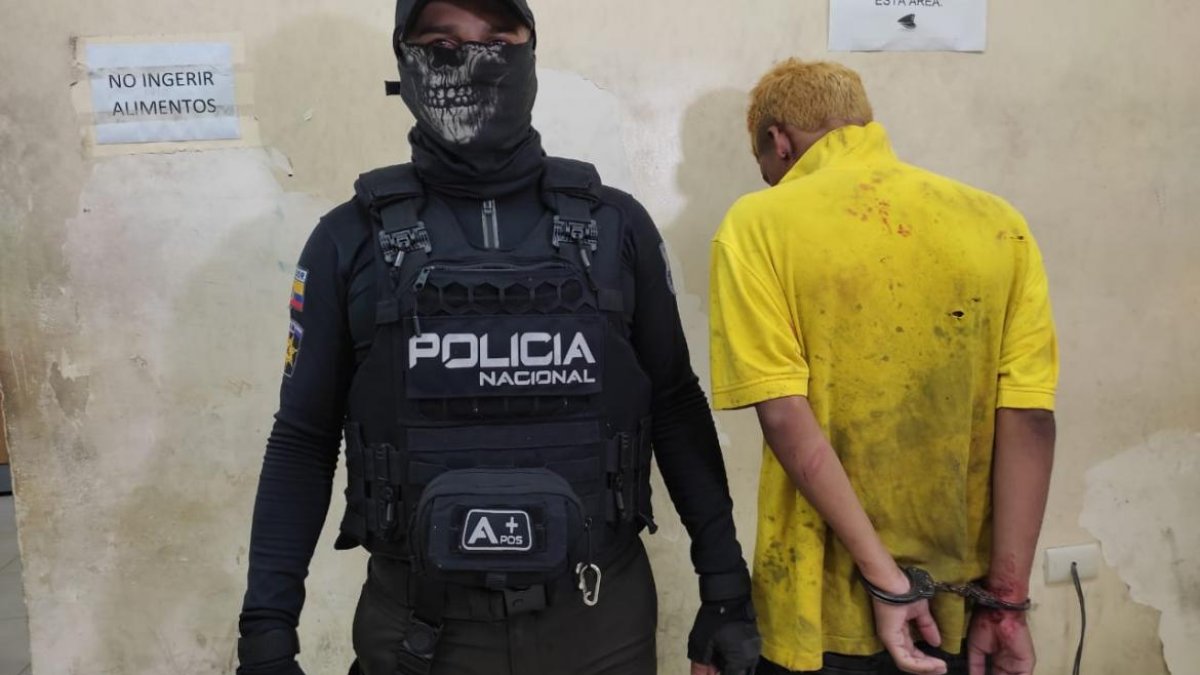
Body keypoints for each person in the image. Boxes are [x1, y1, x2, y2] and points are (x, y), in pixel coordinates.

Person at [236, 1, 760, 674]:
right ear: (405, 59)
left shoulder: (617, 230)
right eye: (443, 42)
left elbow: (676, 409)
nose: (475, 60)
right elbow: (303, 440)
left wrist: (725, 590)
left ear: (531, 52)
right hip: (419, 633)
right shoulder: (348, 240)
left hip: (598, 624)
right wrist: (267, 632)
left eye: (498, 39)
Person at [708, 60, 1058, 675]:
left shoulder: (757, 224)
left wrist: (888, 582)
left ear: (778, 139)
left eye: (768, 167)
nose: (771, 179)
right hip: (961, 608)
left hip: (824, 611)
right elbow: (1028, 415)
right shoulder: (1000, 223)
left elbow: (786, 415)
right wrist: (1005, 604)